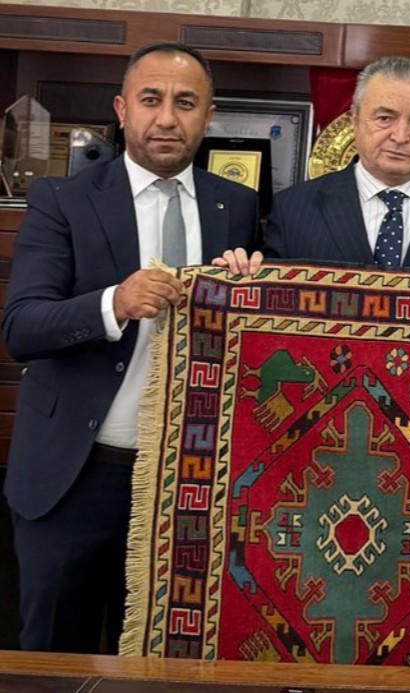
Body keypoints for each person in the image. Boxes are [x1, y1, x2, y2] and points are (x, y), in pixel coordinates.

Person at [2, 42, 259, 653]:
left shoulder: (238, 205)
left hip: (188, 482)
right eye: (150, 99)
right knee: (54, 658)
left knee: (162, 659)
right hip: (75, 473)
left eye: (185, 103)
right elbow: (21, 327)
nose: (166, 118)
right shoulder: (62, 200)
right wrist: (114, 303)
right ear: (122, 110)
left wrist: (250, 287)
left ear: (208, 117)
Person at [219, 56, 410, 284]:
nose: (400, 136)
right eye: (385, 118)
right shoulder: (294, 208)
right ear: (354, 120)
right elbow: (271, 304)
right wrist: (240, 277)